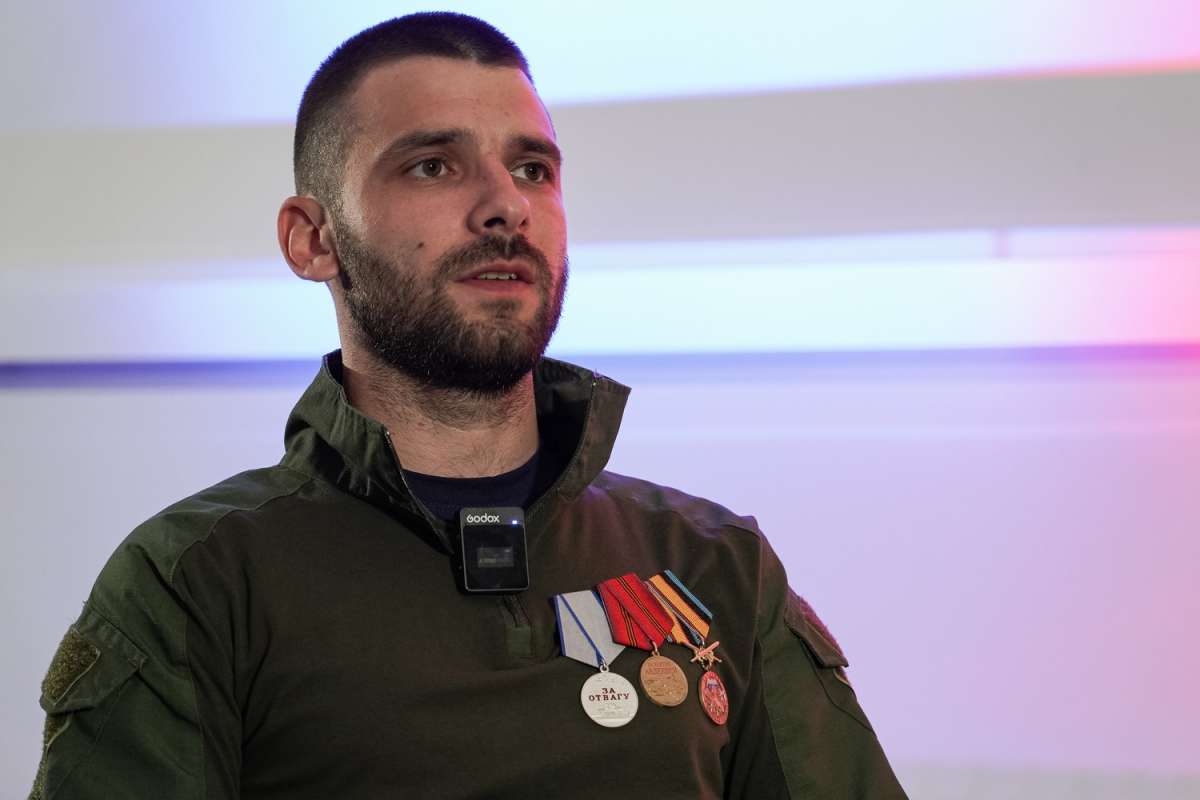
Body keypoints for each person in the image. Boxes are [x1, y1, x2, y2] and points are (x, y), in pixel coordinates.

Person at [29, 12, 906, 800]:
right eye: (433, 165)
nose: (506, 207)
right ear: (313, 238)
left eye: (533, 169)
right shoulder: (199, 580)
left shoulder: (714, 566)